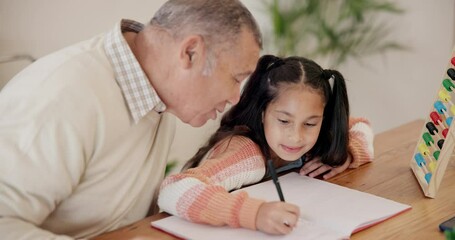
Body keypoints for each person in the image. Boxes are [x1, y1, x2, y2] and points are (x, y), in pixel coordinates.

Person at [0, 0, 262, 239]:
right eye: (236, 78)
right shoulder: (59, 97)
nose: (234, 98)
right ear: (190, 52)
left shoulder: (160, 91)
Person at [158, 55, 374, 235]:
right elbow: (173, 190)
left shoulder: (318, 138)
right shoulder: (246, 153)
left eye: (310, 123)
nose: (295, 137)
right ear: (263, 113)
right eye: (283, 121)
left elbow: (361, 126)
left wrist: (346, 156)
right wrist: (255, 212)